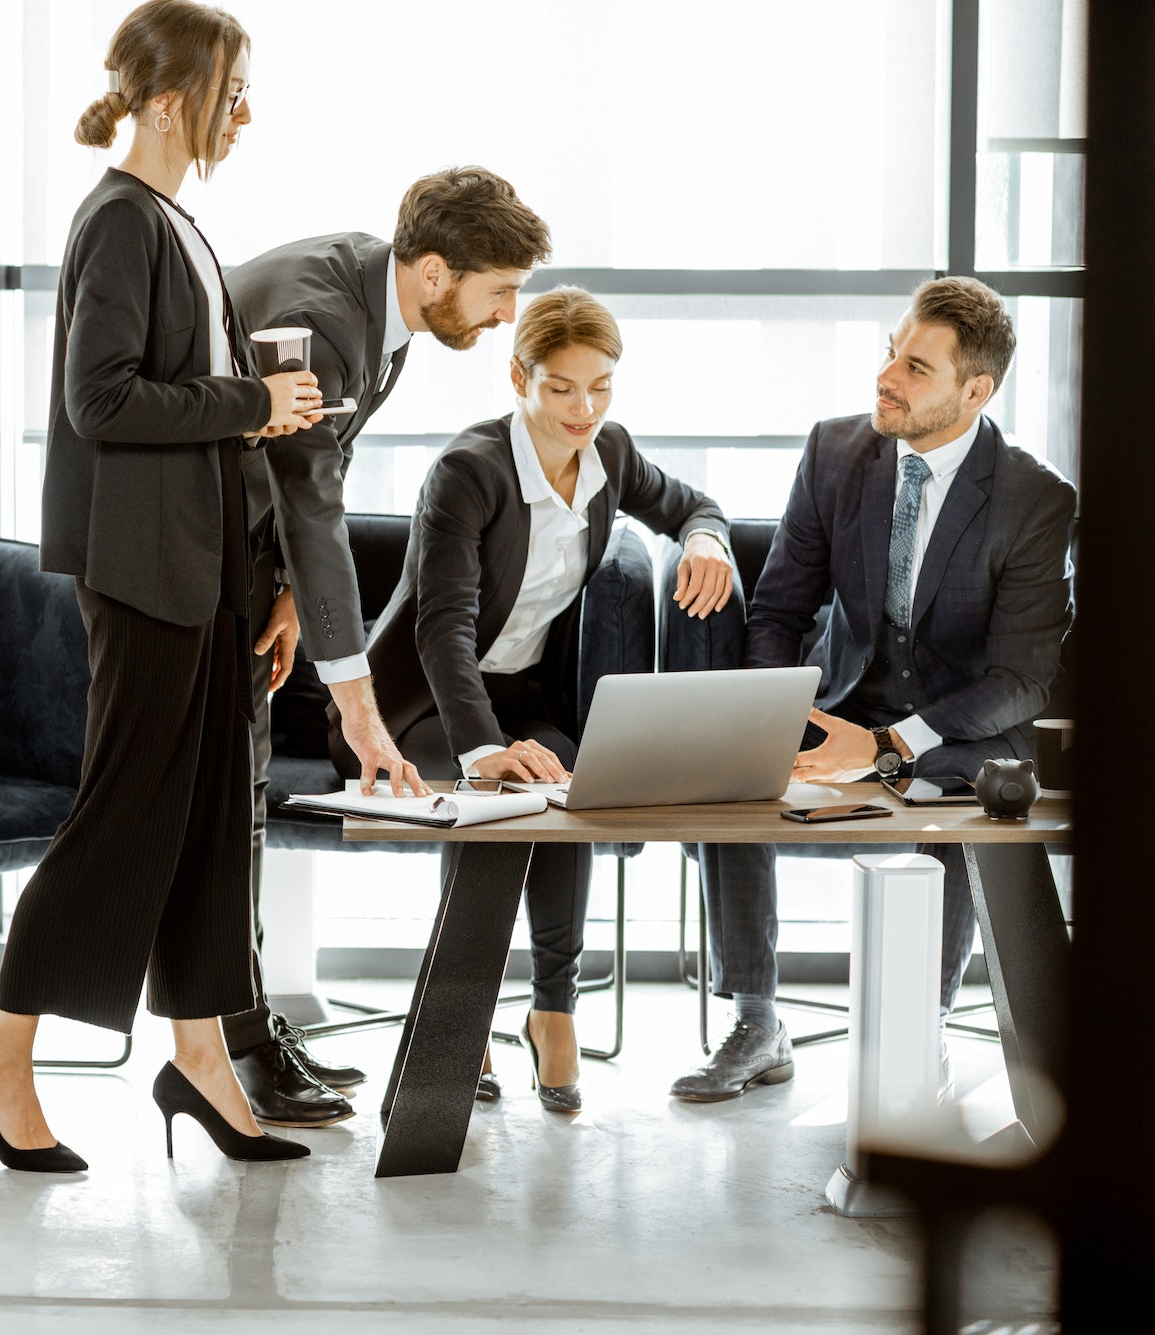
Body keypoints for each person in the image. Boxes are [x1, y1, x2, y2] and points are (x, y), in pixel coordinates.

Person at [0, 0, 328, 1170]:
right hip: (145, 578)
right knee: (123, 817)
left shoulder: (172, 223)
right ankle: (1, 1063)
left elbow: (190, 407)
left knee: (212, 823)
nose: (244, 112)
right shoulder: (120, 223)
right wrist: (251, 404)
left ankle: (204, 1062)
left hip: (205, 574)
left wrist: (265, 569)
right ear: (170, 100)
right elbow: (100, 401)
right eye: (230, 91)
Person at [674, 276, 1076, 1103]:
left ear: (976, 390)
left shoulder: (1036, 500)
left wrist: (896, 743)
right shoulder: (835, 452)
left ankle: (916, 1030)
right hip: (846, 696)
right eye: (890, 351)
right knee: (732, 774)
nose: (887, 376)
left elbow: (1022, 678)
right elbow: (781, 606)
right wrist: (773, 716)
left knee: (964, 796)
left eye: (916, 367)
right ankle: (756, 1019)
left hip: (957, 722)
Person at [217, 170, 554, 1127]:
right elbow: (317, 503)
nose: (507, 316)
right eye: (499, 292)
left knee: (237, 811)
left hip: (244, 564)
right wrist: (356, 704)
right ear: (440, 271)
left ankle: (245, 1034)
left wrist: (285, 587)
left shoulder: (381, 301)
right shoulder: (324, 315)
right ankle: (234, 1045)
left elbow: (320, 458)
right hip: (186, 570)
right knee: (215, 817)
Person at [350, 287, 734, 1111]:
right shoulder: (469, 471)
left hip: (521, 691)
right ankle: (463, 1013)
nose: (583, 408)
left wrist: (703, 536)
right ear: (519, 376)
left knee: (566, 781)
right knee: (496, 792)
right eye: (562, 387)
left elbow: (693, 504)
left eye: (600, 386)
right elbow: (441, 627)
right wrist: (482, 749)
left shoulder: (611, 455)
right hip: (415, 701)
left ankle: (553, 1008)